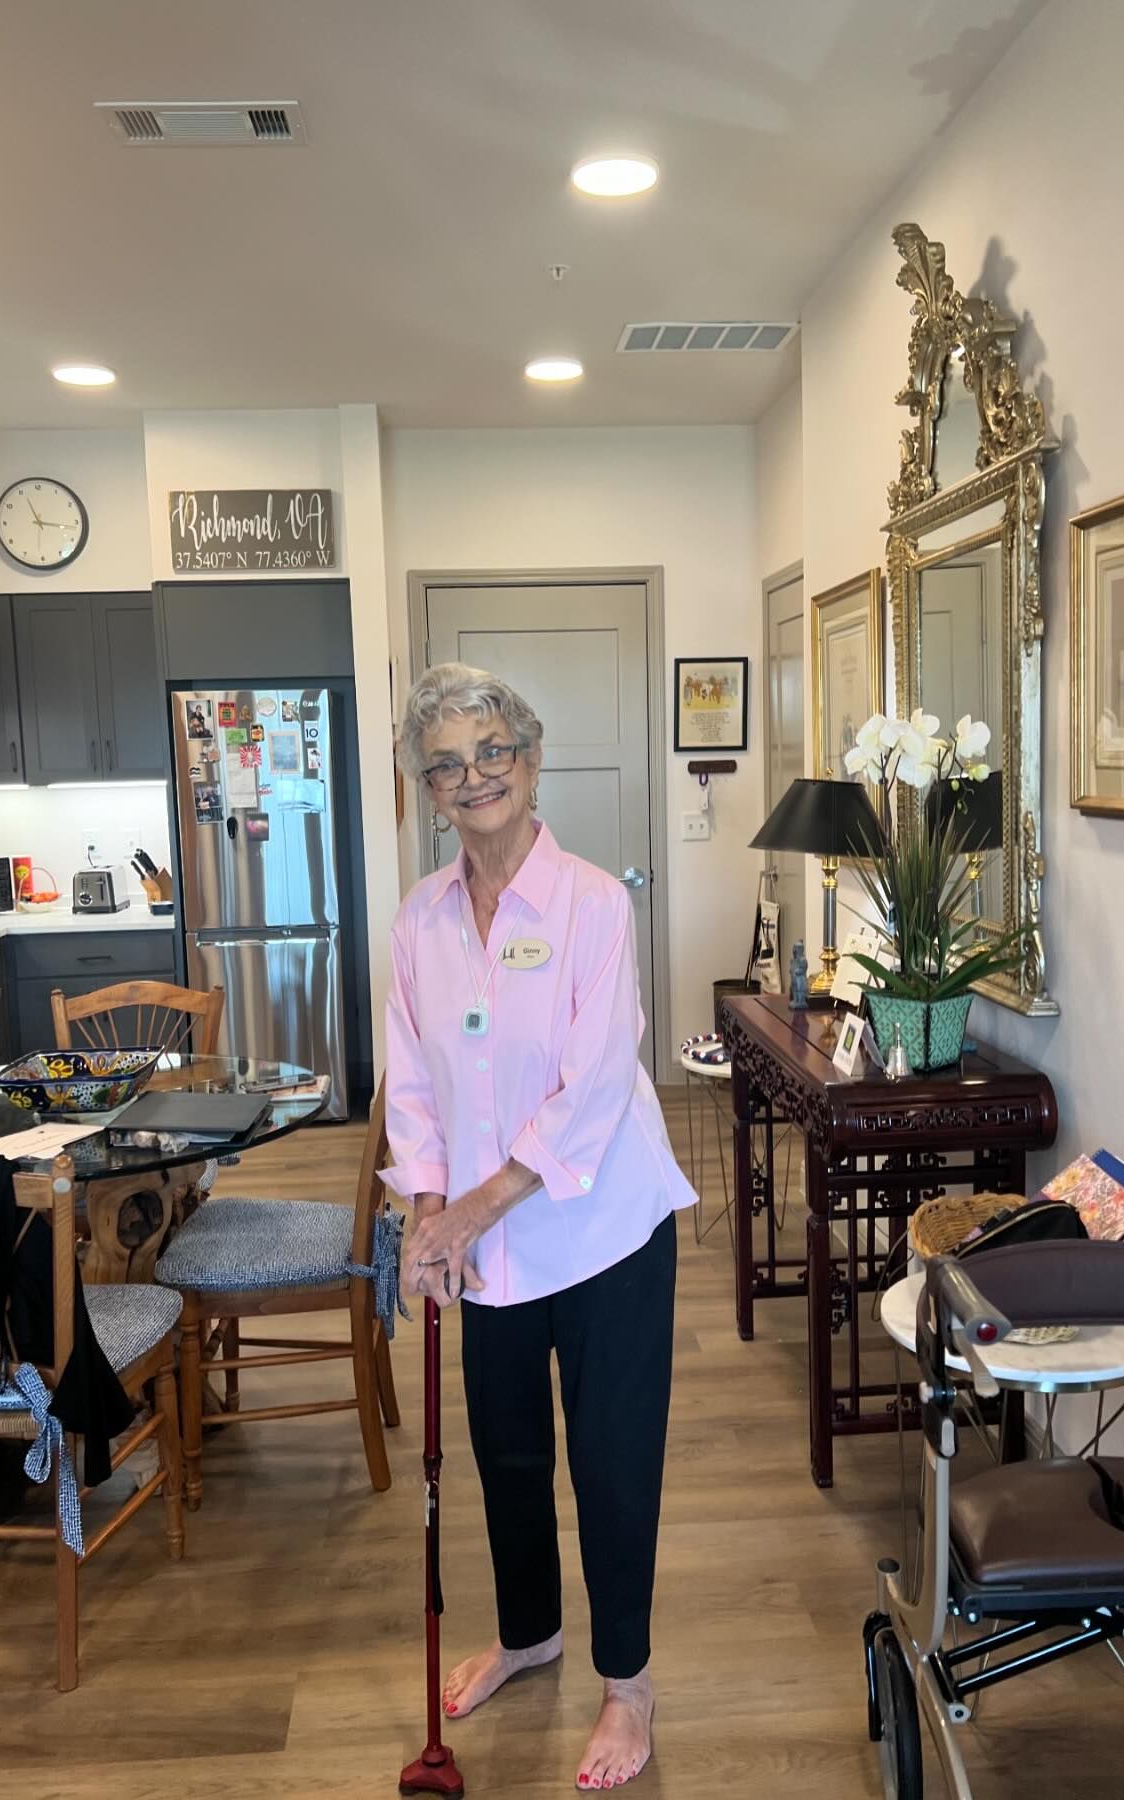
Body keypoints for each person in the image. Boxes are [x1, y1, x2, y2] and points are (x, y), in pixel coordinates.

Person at [382, 662, 696, 1793]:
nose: (474, 778)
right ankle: (530, 1635)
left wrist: (471, 1206)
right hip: (482, 1244)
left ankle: (628, 1683)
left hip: (602, 1232)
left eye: (491, 753)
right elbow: (410, 1075)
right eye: (448, 764)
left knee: (611, 1462)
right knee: (505, 1452)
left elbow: (598, 1085)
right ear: (429, 788)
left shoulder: (593, 904)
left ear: (530, 756)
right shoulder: (421, 916)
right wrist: (426, 1207)